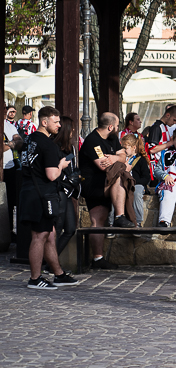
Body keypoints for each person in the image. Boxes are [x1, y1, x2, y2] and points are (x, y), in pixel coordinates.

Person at [18, 106, 78, 289]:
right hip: (41, 195)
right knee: (40, 235)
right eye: (56, 121)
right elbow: (52, 175)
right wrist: (61, 164)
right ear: (44, 122)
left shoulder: (29, 140)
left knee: (51, 235)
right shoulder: (48, 145)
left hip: (30, 191)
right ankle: (35, 279)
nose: (59, 125)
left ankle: (58, 274)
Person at [80, 113, 133, 269]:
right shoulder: (92, 141)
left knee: (99, 220)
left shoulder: (112, 138)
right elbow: (103, 165)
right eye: (117, 126)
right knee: (120, 176)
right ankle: (119, 216)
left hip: (104, 182)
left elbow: (124, 155)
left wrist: (116, 158)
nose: (118, 128)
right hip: (93, 185)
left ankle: (98, 259)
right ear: (110, 127)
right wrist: (120, 163)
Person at [53, 116, 80, 256]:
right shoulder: (54, 147)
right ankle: (50, 264)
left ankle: (52, 263)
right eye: (71, 127)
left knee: (70, 229)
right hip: (58, 191)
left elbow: (73, 168)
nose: (73, 130)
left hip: (68, 192)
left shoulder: (71, 148)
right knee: (57, 229)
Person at [121, 133, 161, 226]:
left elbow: (146, 178)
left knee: (136, 193)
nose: (123, 150)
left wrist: (134, 182)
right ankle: (113, 221)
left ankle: (138, 221)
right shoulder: (121, 159)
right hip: (123, 183)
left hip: (137, 184)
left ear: (133, 147)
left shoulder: (140, 160)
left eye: (125, 148)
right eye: (122, 148)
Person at [3, 104, 23, 242]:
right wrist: (11, 143)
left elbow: (19, 141)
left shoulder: (9, 125)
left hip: (11, 166)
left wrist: (10, 143)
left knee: (10, 201)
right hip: (2, 167)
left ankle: (9, 230)